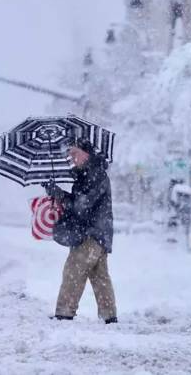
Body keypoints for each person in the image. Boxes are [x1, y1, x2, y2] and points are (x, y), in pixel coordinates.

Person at [42, 137, 117, 324]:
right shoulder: (87, 175)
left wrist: (58, 194)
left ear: (87, 153)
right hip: (99, 234)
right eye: (70, 154)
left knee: (73, 270)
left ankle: (64, 314)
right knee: (100, 277)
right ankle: (109, 317)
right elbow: (79, 203)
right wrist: (56, 191)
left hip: (90, 234)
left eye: (75, 153)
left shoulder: (95, 175)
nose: (72, 158)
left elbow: (81, 206)